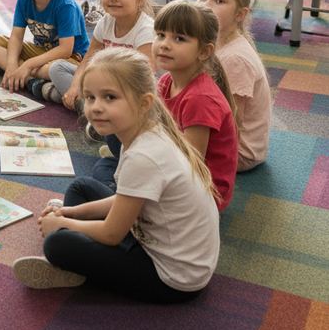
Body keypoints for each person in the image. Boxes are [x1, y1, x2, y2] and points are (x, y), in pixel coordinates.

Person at [12, 48, 220, 302]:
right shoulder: (147, 135)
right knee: (81, 188)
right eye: (90, 97)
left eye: (109, 97)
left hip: (172, 277)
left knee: (57, 245)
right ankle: (75, 243)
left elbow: (112, 234)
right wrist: (72, 213)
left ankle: (72, 264)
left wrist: (64, 224)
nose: (96, 107)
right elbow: (126, 199)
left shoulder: (144, 157)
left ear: (144, 103)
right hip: (159, 240)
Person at [50, 0, 154, 145]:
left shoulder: (145, 30)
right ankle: (89, 109)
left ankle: (88, 110)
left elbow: (144, 78)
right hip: (103, 83)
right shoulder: (105, 22)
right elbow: (89, 58)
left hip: (129, 89)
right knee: (57, 68)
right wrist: (75, 85)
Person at [154, 0, 238, 209]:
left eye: (179, 38)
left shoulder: (200, 99)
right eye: (160, 35)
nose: (164, 44)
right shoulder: (166, 81)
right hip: (171, 164)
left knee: (88, 186)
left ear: (204, 51)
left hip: (201, 192)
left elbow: (189, 162)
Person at [198, 0, 271, 171]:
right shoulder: (216, 41)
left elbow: (231, 122)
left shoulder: (235, 59)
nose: (206, 5)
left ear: (240, 14)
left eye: (219, 1)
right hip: (223, 137)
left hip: (238, 152)